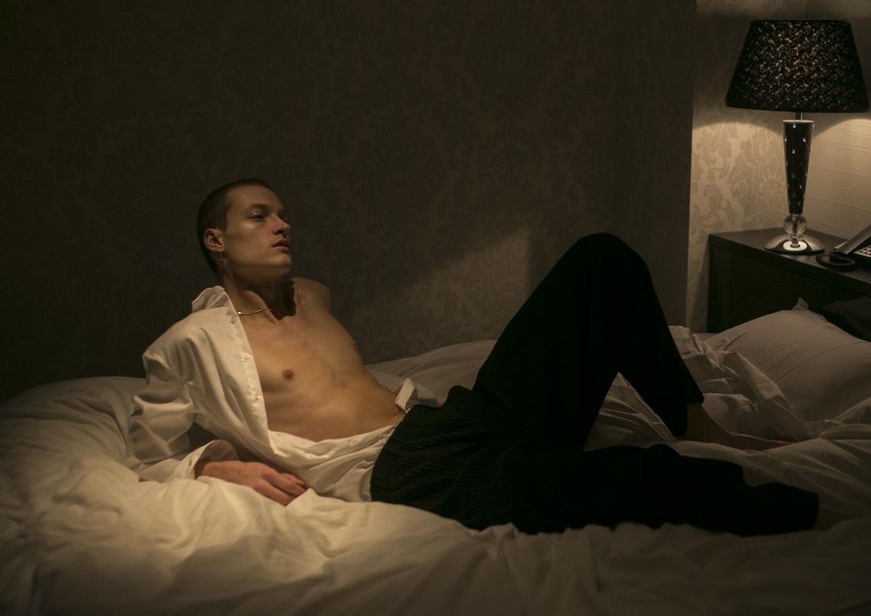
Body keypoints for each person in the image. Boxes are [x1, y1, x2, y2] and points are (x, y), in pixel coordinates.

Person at [129, 178, 826, 536]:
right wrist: (215, 464)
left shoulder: (310, 294)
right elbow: (147, 449)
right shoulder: (194, 341)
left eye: (283, 214)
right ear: (215, 240)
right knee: (619, 478)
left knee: (600, 259)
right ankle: (813, 515)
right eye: (259, 216)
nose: (283, 225)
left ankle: (694, 420)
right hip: (403, 471)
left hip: (449, 421)